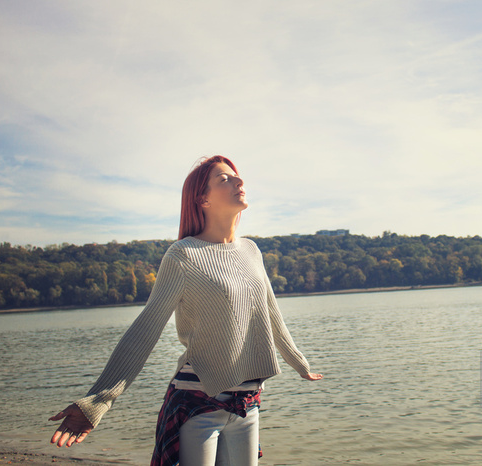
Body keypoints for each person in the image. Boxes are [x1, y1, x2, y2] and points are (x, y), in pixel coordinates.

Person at [49, 155, 323, 465]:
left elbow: (272, 314)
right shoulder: (183, 256)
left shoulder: (251, 250)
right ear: (202, 199)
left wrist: (299, 362)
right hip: (197, 403)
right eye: (224, 179)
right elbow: (145, 329)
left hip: (248, 403)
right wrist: (99, 400)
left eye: (237, 176)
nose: (239, 181)